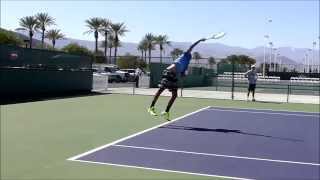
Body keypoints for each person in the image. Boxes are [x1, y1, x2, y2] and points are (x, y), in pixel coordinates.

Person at [147, 38, 206, 120]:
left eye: (190, 56)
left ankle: (166, 111)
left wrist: (183, 75)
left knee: (175, 95)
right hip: (168, 72)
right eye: (190, 54)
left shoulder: (186, 64)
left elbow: (182, 74)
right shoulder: (185, 55)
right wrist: (199, 40)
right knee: (161, 90)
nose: (190, 55)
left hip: (173, 77)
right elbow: (192, 46)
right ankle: (151, 107)